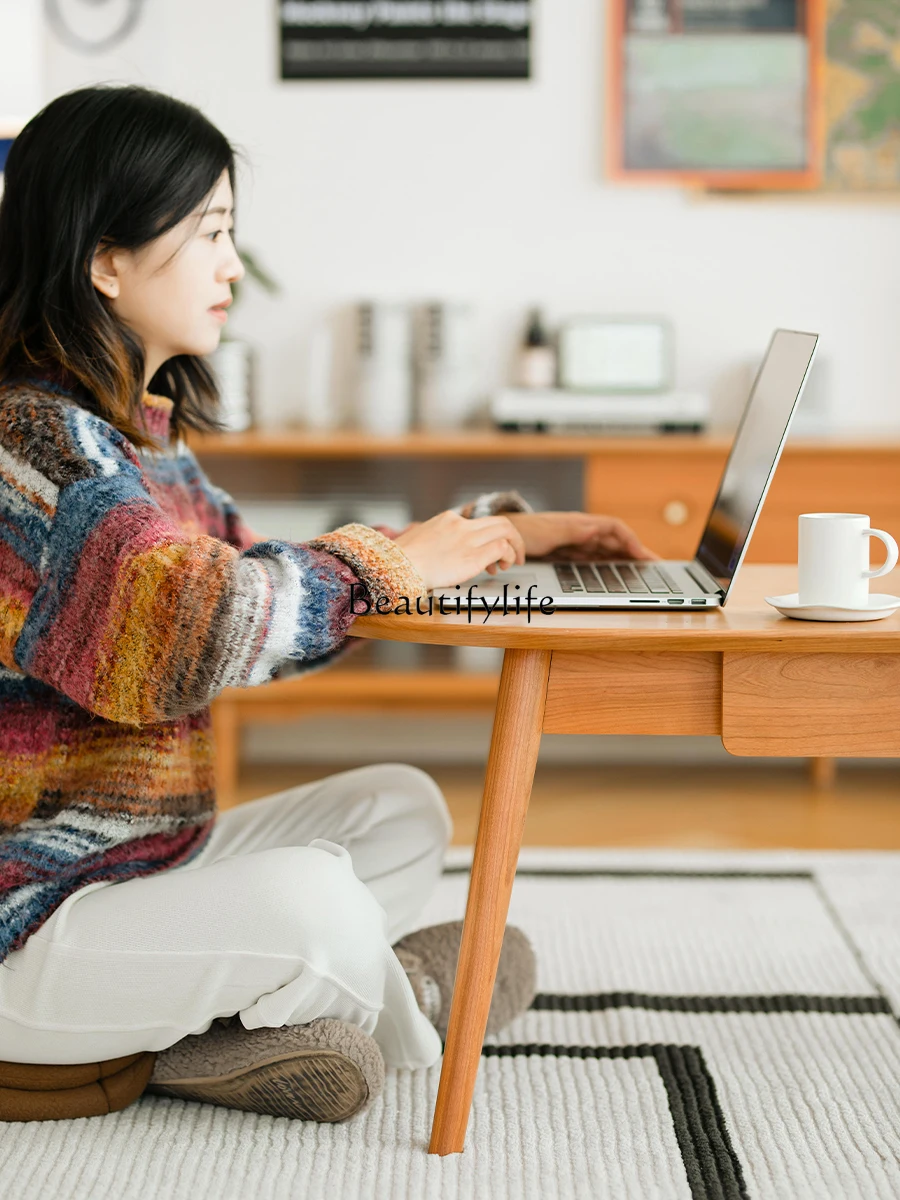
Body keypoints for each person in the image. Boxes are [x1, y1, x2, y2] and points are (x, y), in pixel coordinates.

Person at [0, 85, 653, 1123]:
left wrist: (494, 539)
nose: (230, 268)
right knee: (316, 906)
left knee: (396, 807)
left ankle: (238, 1028)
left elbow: (273, 588)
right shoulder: (34, 447)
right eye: (210, 234)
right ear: (106, 260)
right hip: (30, 921)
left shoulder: (143, 438)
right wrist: (393, 568)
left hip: (136, 859)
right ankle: (407, 1002)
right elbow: (199, 626)